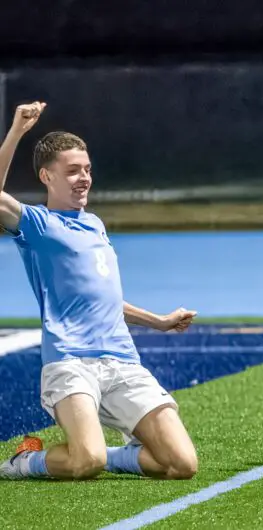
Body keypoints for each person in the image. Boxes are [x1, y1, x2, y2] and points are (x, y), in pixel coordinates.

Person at [0, 102, 199, 480]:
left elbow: (102, 299)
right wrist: (16, 133)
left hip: (122, 361)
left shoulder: (95, 225)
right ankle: (25, 461)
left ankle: (108, 451)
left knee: (180, 465)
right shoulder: (38, 224)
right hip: (70, 362)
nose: (84, 178)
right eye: (72, 171)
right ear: (47, 176)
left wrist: (158, 322)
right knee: (85, 462)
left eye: (87, 169)